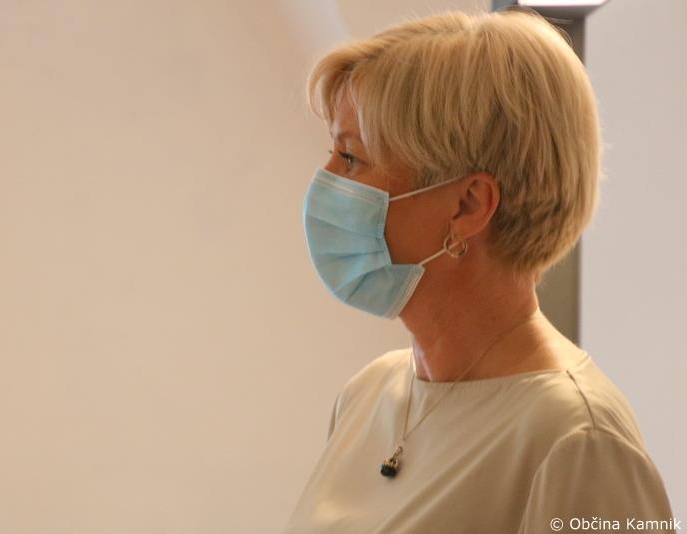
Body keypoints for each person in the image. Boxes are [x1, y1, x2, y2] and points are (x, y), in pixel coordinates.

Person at [283, 8, 676, 534]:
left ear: (468, 205)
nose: (327, 179)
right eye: (333, 152)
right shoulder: (368, 396)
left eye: (352, 159)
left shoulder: (579, 439)